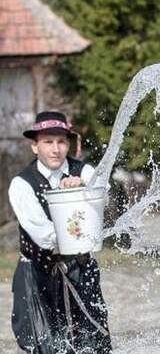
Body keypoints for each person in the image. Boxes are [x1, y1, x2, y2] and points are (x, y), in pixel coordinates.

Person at [9, 111, 112, 353]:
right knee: (42, 345)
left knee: (93, 341)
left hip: (81, 269)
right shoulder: (22, 184)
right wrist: (70, 201)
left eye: (61, 141)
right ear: (35, 147)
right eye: (48, 142)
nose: (55, 149)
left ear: (68, 143)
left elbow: (104, 193)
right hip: (37, 274)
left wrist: (83, 188)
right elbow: (44, 236)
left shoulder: (84, 171)